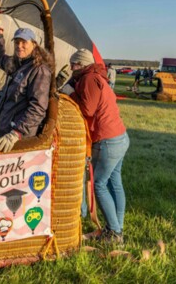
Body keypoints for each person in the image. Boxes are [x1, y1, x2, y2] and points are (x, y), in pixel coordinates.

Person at [63, 48, 130, 244]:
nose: (71, 68)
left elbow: (87, 109)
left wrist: (70, 93)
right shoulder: (98, 77)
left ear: (81, 65)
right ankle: (117, 226)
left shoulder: (89, 79)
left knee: (99, 184)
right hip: (119, 136)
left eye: (74, 65)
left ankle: (114, 233)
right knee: (114, 182)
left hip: (107, 140)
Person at [0, 15, 53, 153]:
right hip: (0, 126)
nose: (19, 46)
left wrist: (17, 133)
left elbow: (38, 107)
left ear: (34, 44)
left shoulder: (39, 70)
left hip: (13, 136)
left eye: (24, 43)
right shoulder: (15, 63)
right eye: (17, 43)